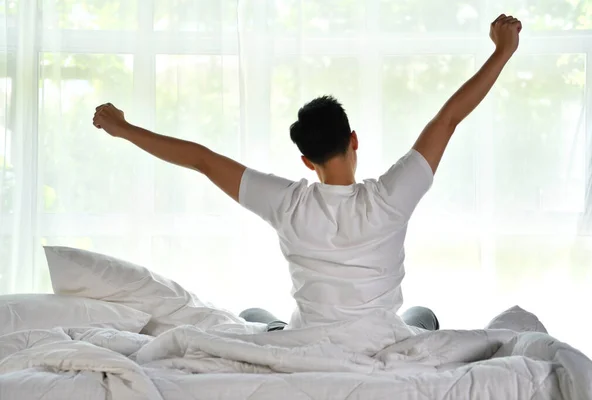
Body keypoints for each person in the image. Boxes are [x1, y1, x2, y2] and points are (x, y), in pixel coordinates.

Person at [92, 14, 522, 332]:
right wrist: (502, 52)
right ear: (354, 140)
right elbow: (447, 119)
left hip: (307, 341)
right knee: (422, 316)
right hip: (379, 341)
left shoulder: (287, 204)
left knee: (252, 318)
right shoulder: (391, 196)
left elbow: (202, 159)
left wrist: (124, 129)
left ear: (306, 161)